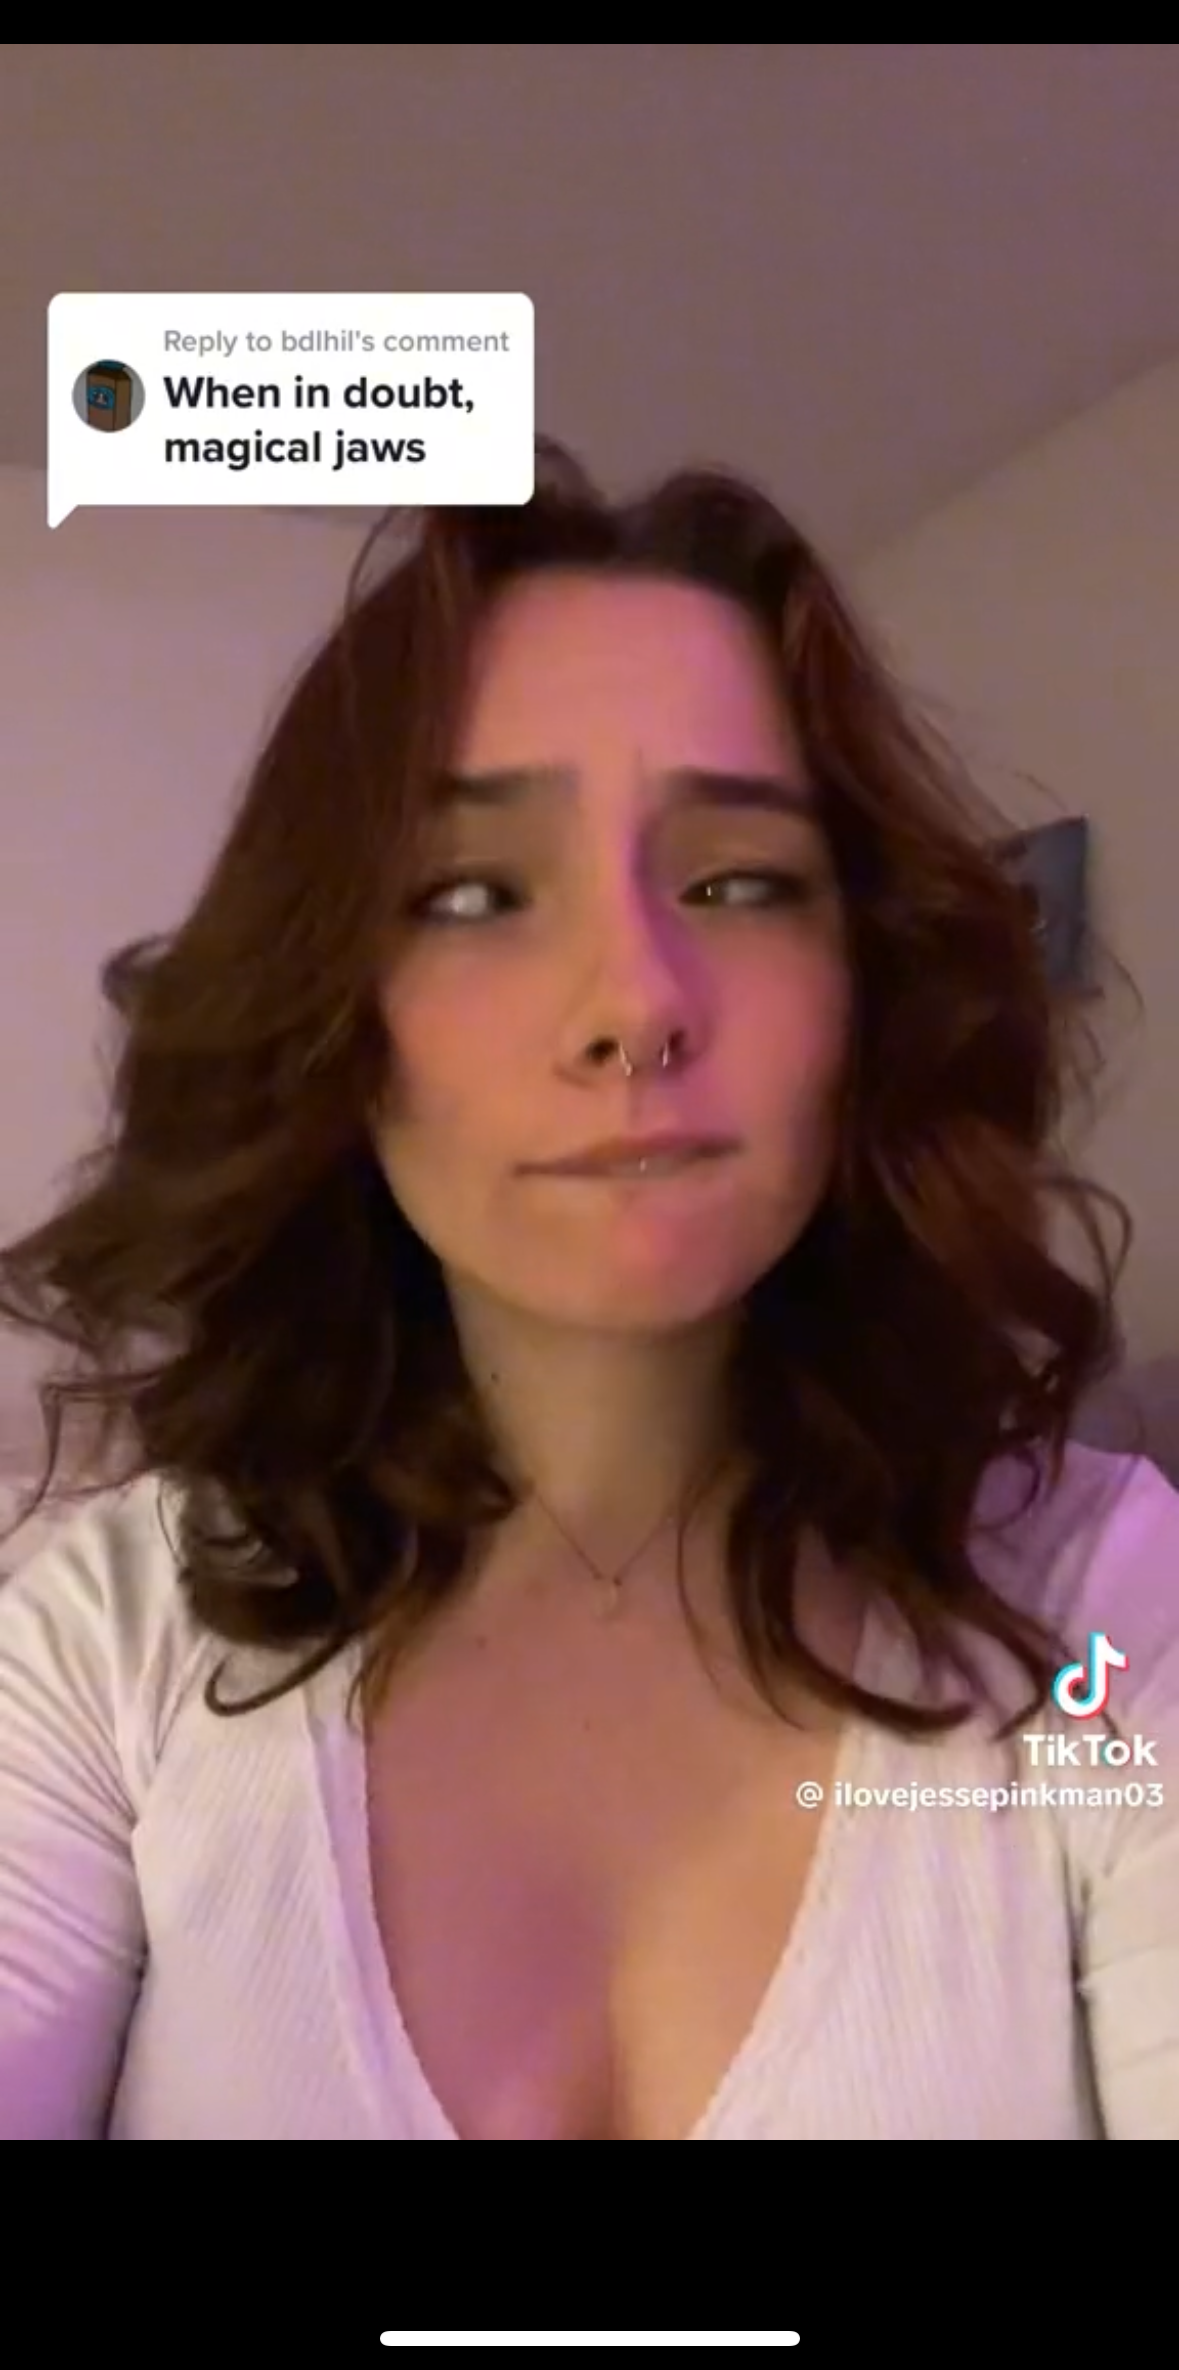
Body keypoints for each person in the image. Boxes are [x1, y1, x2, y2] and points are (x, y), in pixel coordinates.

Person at [1, 439, 1176, 2142]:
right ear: (335, 1017)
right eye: (476, 893)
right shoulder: (107, 1649)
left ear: (864, 989)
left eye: (735, 882)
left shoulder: (1095, 1624)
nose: (635, 1000)